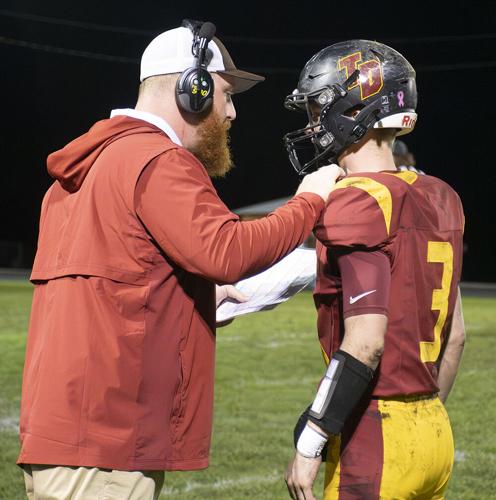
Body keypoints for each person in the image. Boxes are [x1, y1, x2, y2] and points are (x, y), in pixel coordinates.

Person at [17, 20, 344, 499]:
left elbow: (114, 288)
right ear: (194, 89)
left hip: (65, 431)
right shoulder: (157, 159)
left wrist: (189, 300)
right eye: (226, 95)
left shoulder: (84, 170)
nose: (231, 113)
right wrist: (309, 202)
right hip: (108, 443)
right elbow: (227, 250)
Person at [283, 39, 465, 500]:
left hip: (375, 434)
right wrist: (421, 416)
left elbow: (365, 340)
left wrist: (312, 439)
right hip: (435, 431)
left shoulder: (357, 199)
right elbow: (456, 335)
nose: (312, 123)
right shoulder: (440, 196)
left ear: (353, 109)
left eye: (318, 108)